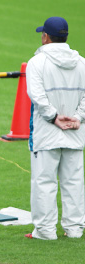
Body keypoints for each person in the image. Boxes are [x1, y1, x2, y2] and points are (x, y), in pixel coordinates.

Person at [26, 16, 85, 240]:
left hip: (47, 132)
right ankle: (75, 229)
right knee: (74, 182)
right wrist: (77, 117)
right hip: (75, 132)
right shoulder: (82, 63)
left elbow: (37, 96)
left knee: (44, 182)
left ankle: (45, 231)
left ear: (46, 37)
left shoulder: (37, 63)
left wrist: (54, 117)